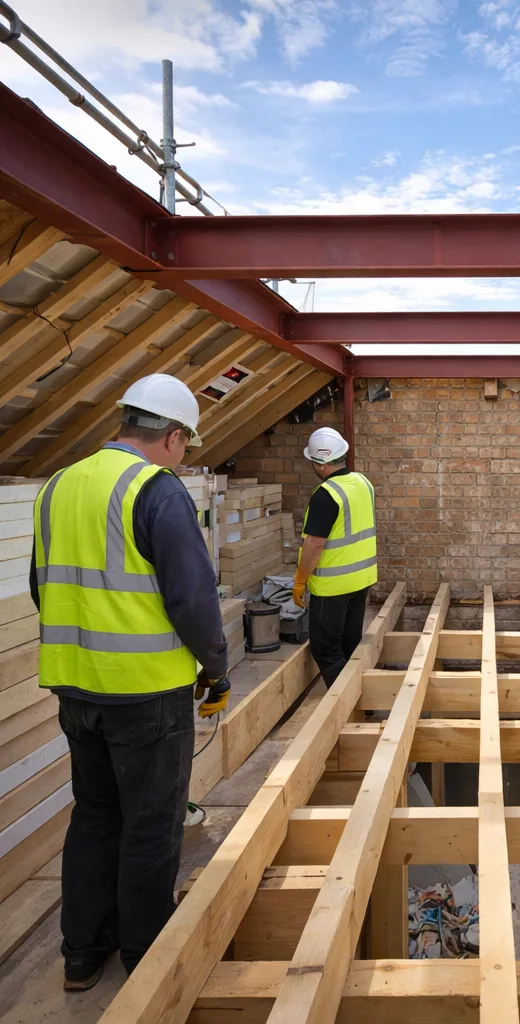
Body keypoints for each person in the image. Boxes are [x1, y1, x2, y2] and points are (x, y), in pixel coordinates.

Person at [29, 373, 229, 991]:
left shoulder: (58, 485)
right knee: (151, 822)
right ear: (172, 436)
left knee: (95, 813)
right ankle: (147, 959)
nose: (183, 457)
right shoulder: (157, 490)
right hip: (146, 692)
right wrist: (216, 668)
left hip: (75, 687)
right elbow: (192, 598)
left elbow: (43, 585)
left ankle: (82, 953)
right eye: (185, 446)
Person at [291, 427, 377, 684]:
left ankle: (346, 700)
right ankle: (361, 696)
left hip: (332, 587)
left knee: (326, 649)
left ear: (320, 463)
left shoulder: (326, 495)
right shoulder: (363, 483)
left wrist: (300, 581)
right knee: (350, 645)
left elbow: (314, 544)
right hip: (361, 580)